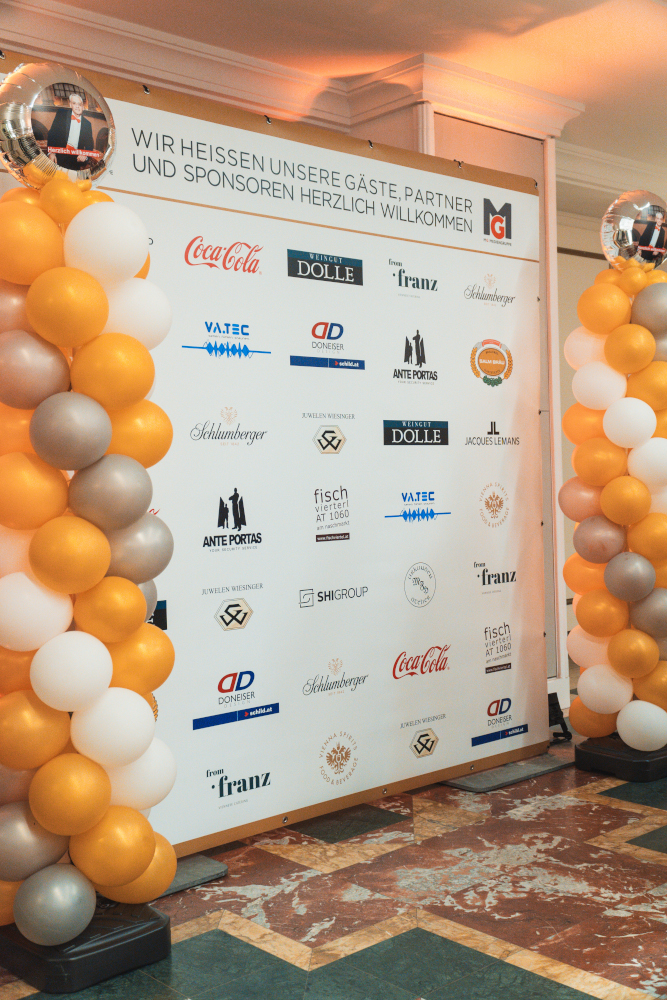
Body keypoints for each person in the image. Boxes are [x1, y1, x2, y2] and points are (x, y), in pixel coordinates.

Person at [46, 93, 94, 171]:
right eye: (74, 103)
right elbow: (52, 134)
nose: (77, 106)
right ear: (70, 104)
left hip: (75, 160)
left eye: (79, 104)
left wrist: (85, 155)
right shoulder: (61, 114)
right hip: (58, 157)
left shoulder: (87, 124)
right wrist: (51, 153)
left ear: (83, 107)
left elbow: (90, 145)